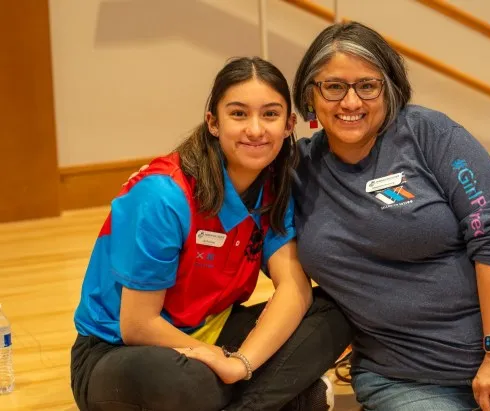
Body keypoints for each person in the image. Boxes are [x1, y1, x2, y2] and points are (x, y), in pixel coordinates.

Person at [291, 22, 490, 411]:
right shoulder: (296, 172)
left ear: (389, 88)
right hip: (404, 377)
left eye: (367, 86)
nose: (351, 102)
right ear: (311, 94)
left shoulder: (428, 134)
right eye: (334, 86)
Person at [70, 57, 353, 411]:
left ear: (288, 124)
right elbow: (138, 325)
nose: (255, 129)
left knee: (334, 311)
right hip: (122, 353)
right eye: (238, 114)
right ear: (213, 122)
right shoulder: (164, 194)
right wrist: (217, 358)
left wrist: (240, 363)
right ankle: (285, 399)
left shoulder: (274, 186)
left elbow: (294, 287)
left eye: (269, 114)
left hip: (212, 332)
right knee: (184, 381)